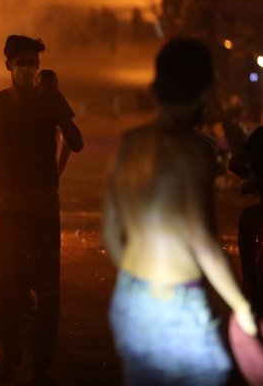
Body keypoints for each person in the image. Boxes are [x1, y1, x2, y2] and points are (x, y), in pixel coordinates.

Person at [103, 37, 258, 385]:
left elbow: (112, 235)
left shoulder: (128, 145)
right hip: (181, 299)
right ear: (202, 89)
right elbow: (203, 242)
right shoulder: (193, 151)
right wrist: (241, 305)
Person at [0, 35, 83, 383]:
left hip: (43, 206)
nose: (27, 70)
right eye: (21, 64)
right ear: (8, 66)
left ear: (38, 68)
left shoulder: (51, 101)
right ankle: (12, 353)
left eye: (32, 64)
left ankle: (42, 360)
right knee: (4, 285)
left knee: (48, 288)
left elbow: (76, 142)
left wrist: (62, 112)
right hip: (4, 207)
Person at [236, 127, 263, 316]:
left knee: (246, 221)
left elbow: (234, 164)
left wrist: (254, 178)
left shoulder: (260, 135)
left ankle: (249, 282)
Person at [36, 70, 72, 178]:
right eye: (43, 85)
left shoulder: (57, 107)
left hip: (47, 168)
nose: (46, 89)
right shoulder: (29, 105)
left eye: (50, 86)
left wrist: (58, 170)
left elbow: (69, 142)